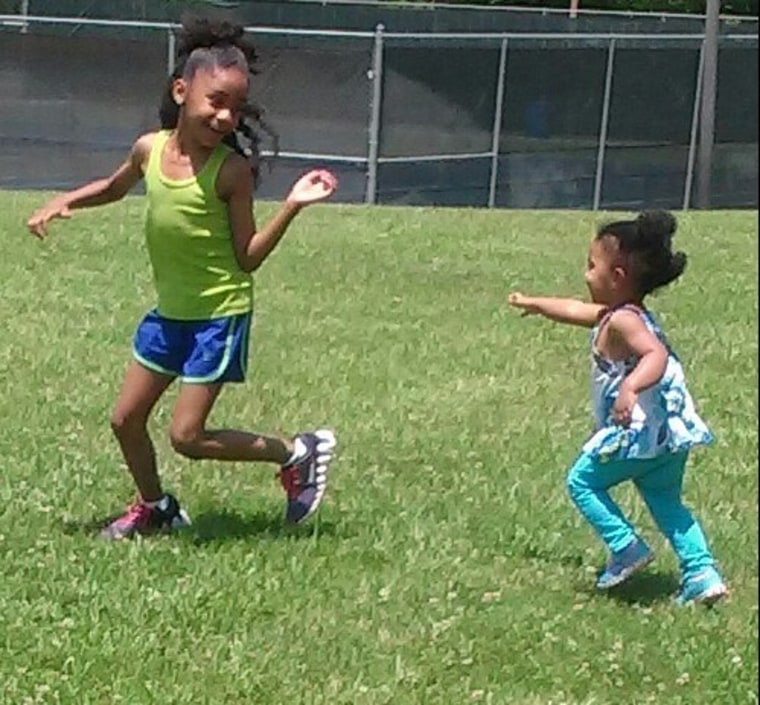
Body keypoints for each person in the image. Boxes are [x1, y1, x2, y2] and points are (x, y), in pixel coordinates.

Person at [26, 14, 338, 539]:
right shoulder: (149, 149)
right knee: (125, 420)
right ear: (181, 90)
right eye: (216, 101)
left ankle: (298, 452)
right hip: (170, 314)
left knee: (187, 436)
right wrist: (66, 201)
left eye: (235, 109)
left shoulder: (231, 173)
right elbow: (114, 185)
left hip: (218, 316)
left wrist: (292, 206)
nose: (225, 117)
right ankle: (156, 508)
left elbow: (248, 258)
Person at [508, 211, 728, 606]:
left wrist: (630, 386)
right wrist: (535, 303)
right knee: (667, 503)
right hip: (667, 439)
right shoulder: (621, 314)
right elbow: (576, 309)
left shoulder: (625, 323)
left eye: (592, 266)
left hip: (637, 433)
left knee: (582, 482)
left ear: (619, 276)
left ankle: (626, 547)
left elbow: (655, 355)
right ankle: (701, 573)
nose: (585, 274)